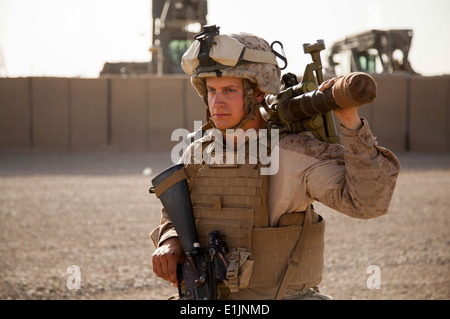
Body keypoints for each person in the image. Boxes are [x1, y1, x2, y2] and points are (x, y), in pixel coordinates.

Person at [150, 27, 400, 300]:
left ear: (258, 93)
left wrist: (350, 122)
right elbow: (177, 214)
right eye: (211, 90)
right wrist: (169, 241)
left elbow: (368, 203)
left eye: (229, 90)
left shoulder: (293, 153)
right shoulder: (197, 151)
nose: (216, 103)